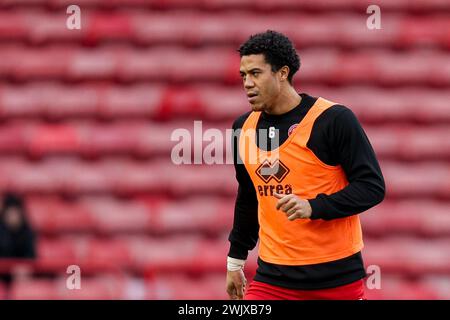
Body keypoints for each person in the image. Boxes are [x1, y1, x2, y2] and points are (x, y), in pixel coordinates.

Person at [226, 30, 385, 300]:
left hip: (336, 280)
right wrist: (235, 261)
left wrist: (313, 206)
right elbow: (248, 197)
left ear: (282, 73)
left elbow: (372, 187)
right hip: (273, 280)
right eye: (243, 76)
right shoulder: (243, 128)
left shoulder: (333, 120)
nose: (247, 83)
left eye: (255, 73)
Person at [0, 193, 36, 259]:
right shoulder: (1, 232)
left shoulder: (28, 232)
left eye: (15, 214)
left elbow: (32, 256)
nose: (13, 217)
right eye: (10, 214)